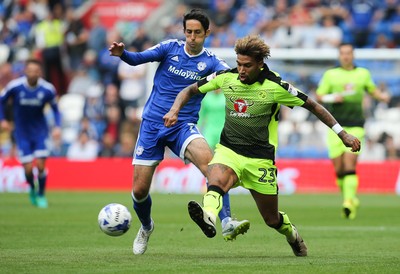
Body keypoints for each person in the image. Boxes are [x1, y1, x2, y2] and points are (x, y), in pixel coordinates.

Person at [164, 35, 361, 257]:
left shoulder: (276, 86)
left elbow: (313, 106)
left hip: (260, 159)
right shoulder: (225, 77)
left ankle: (292, 234)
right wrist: (174, 109)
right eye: (238, 64)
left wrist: (342, 133)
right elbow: (189, 90)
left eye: (247, 66)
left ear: (260, 64)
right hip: (229, 150)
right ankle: (208, 216)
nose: (241, 70)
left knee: (272, 219)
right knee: (215, 179)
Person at [108, 9, 250, 255]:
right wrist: (123, 54)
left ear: (207, 33)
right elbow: (136, 58)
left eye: (197, 33)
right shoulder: (169, 48)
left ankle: (227, 222)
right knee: (140, 191)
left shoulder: (213, 62)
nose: (192, 37)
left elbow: (234, 78)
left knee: (213, 168)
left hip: (183, 126)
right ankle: (146, 226)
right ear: (184, 32)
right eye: (188, 32)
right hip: (152, 125)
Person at [316, 43, 391, 220]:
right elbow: (319, 96)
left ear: (353, 55)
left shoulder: (363, 74)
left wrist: (383, 96)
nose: (346, 56)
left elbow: (372, 91)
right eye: (342, 53)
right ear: (339, 55)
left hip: (356, 124)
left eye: (348, 53)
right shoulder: (330, 75)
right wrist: (333, 97)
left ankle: (348, 202)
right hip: (335, 127)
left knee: (350, 165)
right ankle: (349, 198)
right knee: (339, 170)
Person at [0, 58, 62, 208]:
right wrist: (3, 120)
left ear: (39, 72)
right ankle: (32, 189)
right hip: (22, 132)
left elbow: (55, 109)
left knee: (40, 165)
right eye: (30, 70)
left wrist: (57, 127)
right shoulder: (15, 87)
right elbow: (1, 101)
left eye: (35, 70)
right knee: (27, 168)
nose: (32, 73)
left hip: (40, 131)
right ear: (25, 71)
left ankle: (41, 194)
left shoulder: (47, 89)